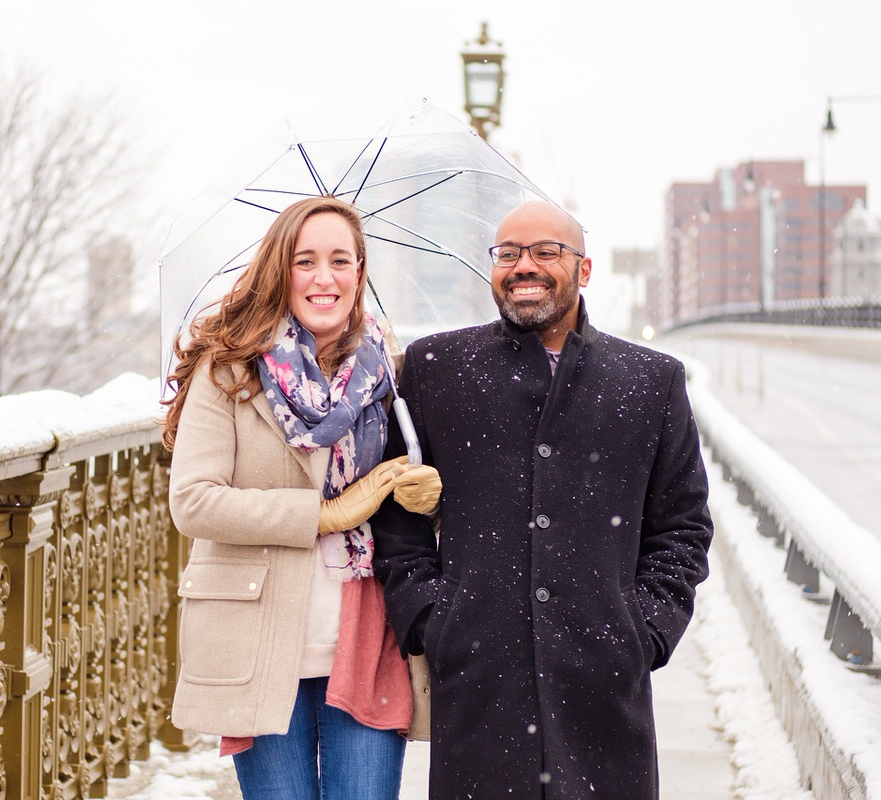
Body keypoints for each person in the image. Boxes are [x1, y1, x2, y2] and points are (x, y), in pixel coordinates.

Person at [371, 200, 714, 799]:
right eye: (508, 253)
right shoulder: (435, 369)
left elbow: (682, 527)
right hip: (479, 683)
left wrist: (644, 631)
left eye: (545, 252)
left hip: (603, 687)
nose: (523, 266)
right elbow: (397, 515)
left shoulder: (650, 381)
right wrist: (431, 619)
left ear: (583, 270)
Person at [162, 195, 433, 799]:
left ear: (360, 272)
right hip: (258, 634)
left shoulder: (390, 376)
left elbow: (418, 489)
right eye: (305, 261)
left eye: (341, 260)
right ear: (279, 269)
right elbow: (195, 501)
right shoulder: (228, 370)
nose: (324, 277)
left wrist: (429, 496)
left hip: (366, 631)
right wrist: (323, 514)